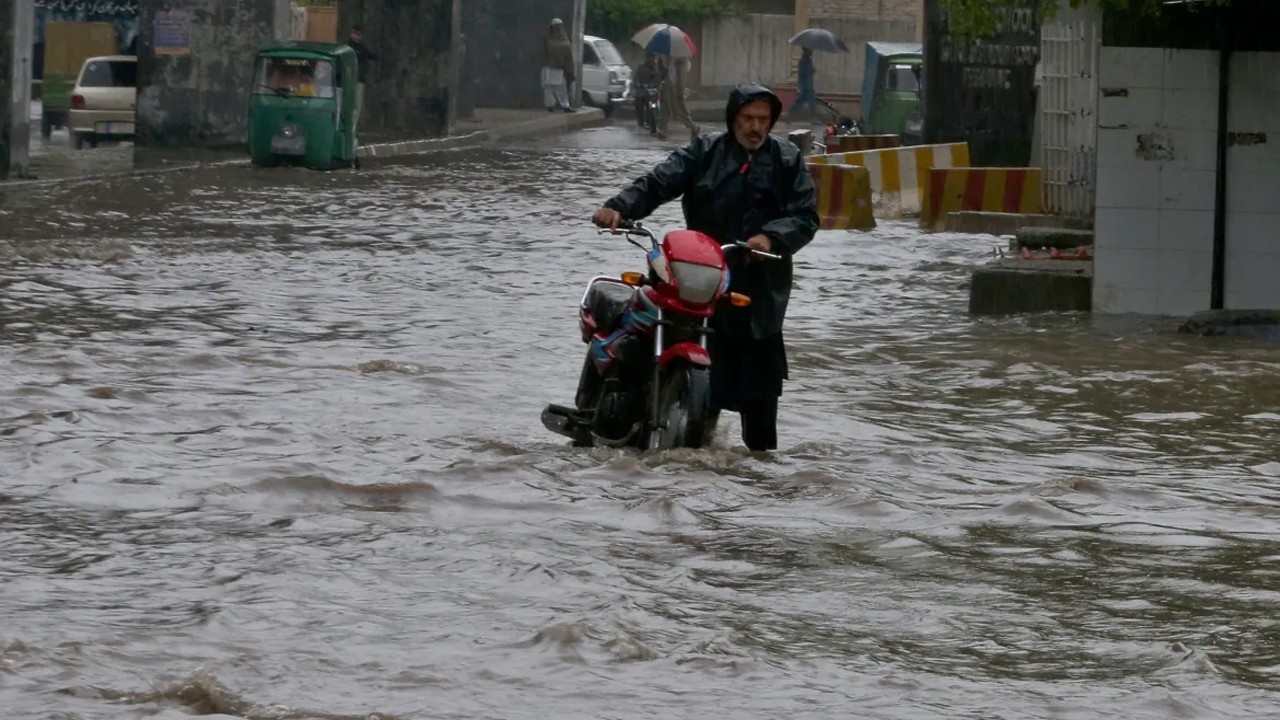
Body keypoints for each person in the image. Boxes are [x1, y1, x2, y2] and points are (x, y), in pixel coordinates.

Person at [591, 84, 819, 452]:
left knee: (761, 397)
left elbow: (806, 216)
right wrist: (619, 207)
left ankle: (760, 478)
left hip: (758, 290)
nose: (755, 127)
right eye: (747, 118)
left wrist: (771, 238)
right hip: (697, 278)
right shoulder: (705, 151)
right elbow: (659, 182)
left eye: (763, 119)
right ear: (733, 119)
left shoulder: (787, 160)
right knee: (659, 346)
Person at [658, 56, 699, 142]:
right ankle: (663, 129)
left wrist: (680, 91)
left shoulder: (682, 63)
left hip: (675, 89)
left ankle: (693, 127)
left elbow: (682, 79)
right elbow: (666, 73)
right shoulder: (670, 61)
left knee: (679, 111)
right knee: (664, 109)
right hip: (667, 87)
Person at [346, 25, 376, 136]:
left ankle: (353, 128)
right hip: (350, 80)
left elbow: (370, 55)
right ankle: (349, 128)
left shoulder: (362, 47)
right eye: (354, 33)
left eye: (358, 34)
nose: (356, 36)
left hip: (359, 79)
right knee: (350, 105)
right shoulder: (348, 47)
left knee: (357, 105)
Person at [542, 18, 576, 112]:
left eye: (560, 26)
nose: (559, 29)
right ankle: (550, 105)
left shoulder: (564, 38)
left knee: (562, 87)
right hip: (549, 67)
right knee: (548, 87)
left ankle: (565, 106)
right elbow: (545, 52)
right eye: (557, 26)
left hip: (560, 67)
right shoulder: (547, 38)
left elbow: (568, 53)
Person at [633, 53, 665, 128]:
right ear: (646, 59)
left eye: (652, 58)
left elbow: (659, 80)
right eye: (649, 58)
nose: (651, 60)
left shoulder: (656, 70)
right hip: (641, 91)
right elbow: (636, 78)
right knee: (639, 103)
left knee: (652, 105)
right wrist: (638, 84)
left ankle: (650, 121)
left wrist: (655, 86)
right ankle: (640, 121)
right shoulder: (641, 68)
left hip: (652, 92)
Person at [788, 48, 817, 121]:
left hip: (809, 85)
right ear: (806, 51)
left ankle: (791, 112)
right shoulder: (802, 61)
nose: (811, 52)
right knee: (806, 101)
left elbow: (809, 73)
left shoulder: (809, 61)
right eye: (810, 50)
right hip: (804, 86)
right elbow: (802, 74)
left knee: (808, 101)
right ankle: (791, 111)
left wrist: (812, 71)